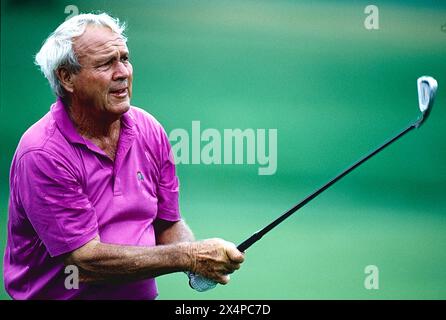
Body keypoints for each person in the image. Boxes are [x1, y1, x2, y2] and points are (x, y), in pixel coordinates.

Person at [3, 13, 244, 300]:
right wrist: (189, 256)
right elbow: (84, 262)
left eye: (125, 59)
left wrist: (201, 262)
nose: (123, 72)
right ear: (67, 78)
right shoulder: (43, 153)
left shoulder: (149, 130)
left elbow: (167, 223)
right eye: (106, 63)